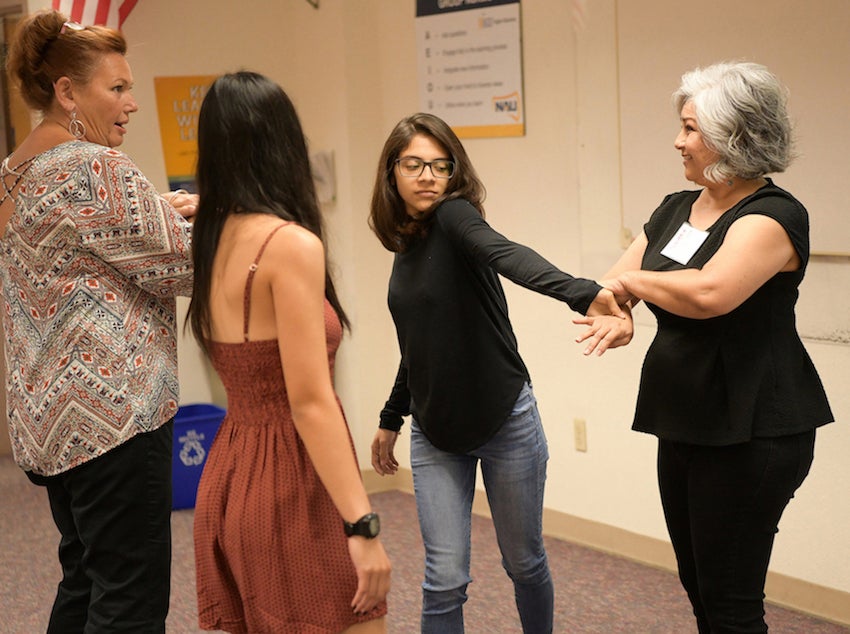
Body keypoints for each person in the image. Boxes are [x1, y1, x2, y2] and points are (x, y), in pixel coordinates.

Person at [575, 61, 834, 633]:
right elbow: (612, 282)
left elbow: (711, 292)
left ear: (734, 136)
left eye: (691, 128)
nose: (678, 141)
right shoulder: (674, 209)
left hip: (755, 425)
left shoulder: (774, 215)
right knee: (699, 586)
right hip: (686, 415)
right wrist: (618, 312)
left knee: (731, 601)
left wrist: (634, 287)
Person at [368, 112, 624, 634]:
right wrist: (392, 415)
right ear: (391, 171)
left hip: (505, 418)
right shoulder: (408, 242)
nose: (428, 177)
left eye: (441, 166)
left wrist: (587, 293)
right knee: (443, 579)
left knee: (524, 563)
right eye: (414, 164)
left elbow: (507, 255)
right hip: (436, 431)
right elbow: (419, 344)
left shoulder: (456, 218)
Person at [0, 9, 195, 633]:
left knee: (85, 578)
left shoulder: (15, 170)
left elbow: (68, 248)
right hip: (116, 420)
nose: (131, 103)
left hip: (53, 425)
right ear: (67, 92)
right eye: (117, 88)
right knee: (130, 601)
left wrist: (153, 211)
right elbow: (185, 267)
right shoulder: (95, 168)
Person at [187, 71, 391, 634]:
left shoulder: (209, 237)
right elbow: (310, 403)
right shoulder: (290, 246)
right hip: (292, 484)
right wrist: (363, 525)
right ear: (284, 145)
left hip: (229, 477)